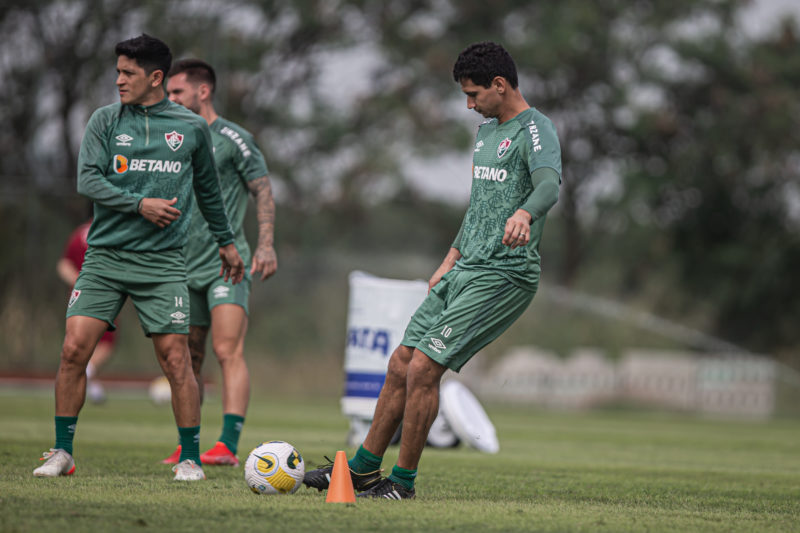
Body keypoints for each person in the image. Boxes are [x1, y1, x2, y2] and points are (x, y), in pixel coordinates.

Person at [303, 41, 562, 499]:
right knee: (400, 363)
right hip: (465, 268)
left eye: (474, 94)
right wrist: (450, 258)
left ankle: (402, 484)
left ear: (499, 85)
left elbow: (547, 185)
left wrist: (525, 214)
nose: (469, 104)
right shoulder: (486, 133)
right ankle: (362, 471)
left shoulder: (536, 130)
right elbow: (481, 205)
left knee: (424, 368)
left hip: (505, 274)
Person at [32, 34, 244, 482]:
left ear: (156, 77)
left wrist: (227, 242)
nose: (119, 80)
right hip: (105, 259)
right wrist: (139, 204)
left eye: (128, 72)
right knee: (73, 349)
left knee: (177, 359)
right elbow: (88, 181)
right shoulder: (105, 121)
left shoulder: (189, 128)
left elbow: (208, 190)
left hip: (162, 264)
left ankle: (189, 458)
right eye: (118, 71)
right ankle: (62, 452)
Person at [161, 58, 277, 466]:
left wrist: (265, 245)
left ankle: (227, 444)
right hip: (180, 264)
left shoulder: (232, 137)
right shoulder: (170, 137)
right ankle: (187, 443)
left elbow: (262, 190)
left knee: (228, 349)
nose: (170, 98)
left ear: (202, 91)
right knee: (187, 355)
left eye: (177, 92)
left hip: (228, 265)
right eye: (168, 93)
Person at [57, 219, 117, 404]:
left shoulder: (79, 233)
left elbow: (64, 265)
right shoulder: (113, 230)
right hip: (104, 296)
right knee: (105, 344)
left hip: (79, 298)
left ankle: (90, 383)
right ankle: (86, 372)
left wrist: (79, 283)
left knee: (80, 344)